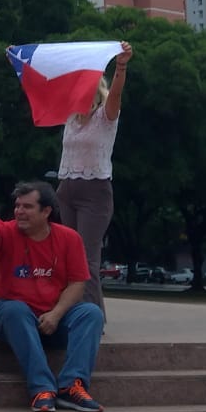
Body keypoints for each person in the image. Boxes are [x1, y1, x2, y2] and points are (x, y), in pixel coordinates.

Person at [0, 181, 105, 412]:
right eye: (17, 206)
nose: (19, 211)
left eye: (27, 207)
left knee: (91, 313)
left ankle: (72, 387)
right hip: (11, 318)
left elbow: (77, 284)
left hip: (52, 319)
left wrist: (56, 314)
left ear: (46, 211)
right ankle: (41, 388)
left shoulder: (70, 238)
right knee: (15, 310)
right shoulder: (8, 231)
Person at [56, 41, 133, 316]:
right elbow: (46, 88)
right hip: (66, 190)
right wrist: (22, 63)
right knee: (68, 257)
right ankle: (74, 312)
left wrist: (120, 65)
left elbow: (116, 93)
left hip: (95, 193)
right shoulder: (71, 119)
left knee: (86, 259)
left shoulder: (106, 116)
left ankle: (91, 318)